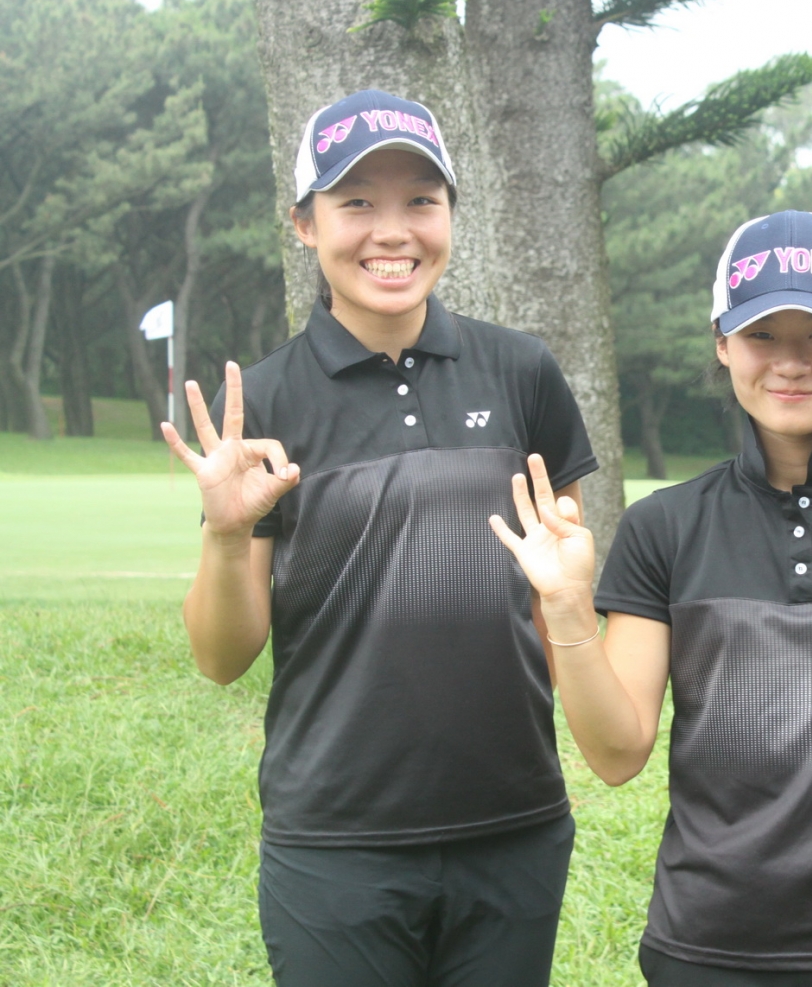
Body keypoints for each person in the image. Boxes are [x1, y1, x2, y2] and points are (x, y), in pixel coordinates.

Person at [161, 89, 597, 987]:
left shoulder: (523, 373)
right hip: (335, 842)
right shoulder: (269, 401)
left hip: (514, 826)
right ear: (303, 225)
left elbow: (555, 593)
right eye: (355, 202)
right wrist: (225, 531)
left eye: (419, 201)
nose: (390, 231)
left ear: (449, 215)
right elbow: (220, 656)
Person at [490, 210, 812, 985]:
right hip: (708, 945)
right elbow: (617, 751)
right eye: (762, 336)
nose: (790, 363)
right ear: (723, 342)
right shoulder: (666, 526)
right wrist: (565, 612)